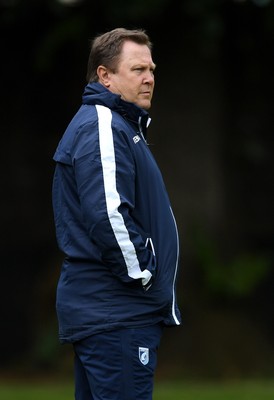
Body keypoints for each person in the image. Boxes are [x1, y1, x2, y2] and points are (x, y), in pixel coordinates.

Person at [52, 27, 181, 400]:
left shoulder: (117, 126)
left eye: (152, 69)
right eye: (138, 69)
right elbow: (108, 215)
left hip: (109, 315)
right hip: (117, 316)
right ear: (105, 75)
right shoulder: (103, 126)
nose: (149, 78)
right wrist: (142, 272)